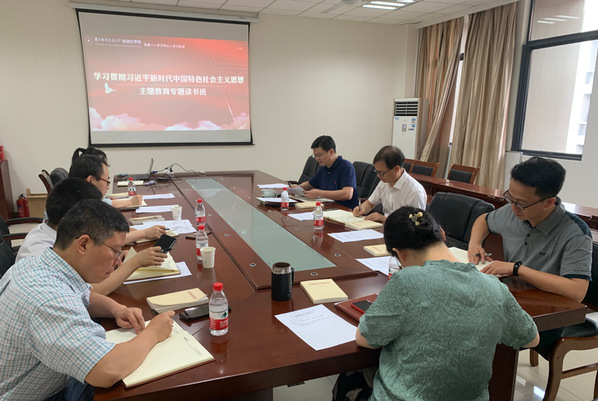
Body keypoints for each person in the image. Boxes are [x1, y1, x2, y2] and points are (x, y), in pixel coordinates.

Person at [355, 206, 539, 401]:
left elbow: (365, 338)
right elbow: (532, 338)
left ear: (399, 254)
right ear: (442, 234)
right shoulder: (494, 287)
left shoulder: (407, 281)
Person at [0, 199, 174, 400]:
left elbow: (84, 296)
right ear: (83, 244)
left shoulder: (39, 265)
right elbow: (106, 370)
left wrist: (117, 309)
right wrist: (153, 334)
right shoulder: (47, 299)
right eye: (115, 251)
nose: (118, 261)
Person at [468, 157, 592, 353]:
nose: (513, 207)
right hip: (512, 298)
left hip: (548, 315)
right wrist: (475, 244)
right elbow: (483, 220)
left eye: (521, 204)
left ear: (549, 202)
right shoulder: (513, 212)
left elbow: (577, 291)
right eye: (510, 198)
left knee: (479, 334)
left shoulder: (575, 233)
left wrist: (517, 269)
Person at [16, 178, 167, 296]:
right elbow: (91, 292)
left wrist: (112, 253)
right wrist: (136, 262)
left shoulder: (58, 235)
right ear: (74, 218)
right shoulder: (40, 254)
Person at [69, 155, 166, 244]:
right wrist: (144, 233)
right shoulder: (81, 209)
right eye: (107, 182)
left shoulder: (73, 197)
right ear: (91, 180)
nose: (107, 187)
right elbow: (108, 241)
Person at [352, 145, 426, 222]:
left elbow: (414, 223)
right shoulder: (384, 182)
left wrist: (384, 219)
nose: (378, 176)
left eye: (381, 173)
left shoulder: (415, 191)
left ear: (396, 169)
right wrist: (362, 209)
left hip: (401, 229)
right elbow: (370, 204)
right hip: (386, 227)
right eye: (376, 171)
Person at [296, 135, 359, 209]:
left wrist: (319, 193)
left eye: (319, 155)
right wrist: (297, 188)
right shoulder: (324, 168)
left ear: (331, 152)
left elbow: (347, 194)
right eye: (315, 156)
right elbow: (310, 184)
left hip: (344, 210)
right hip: (328, 207)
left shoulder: (346, 167)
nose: (317, 159)